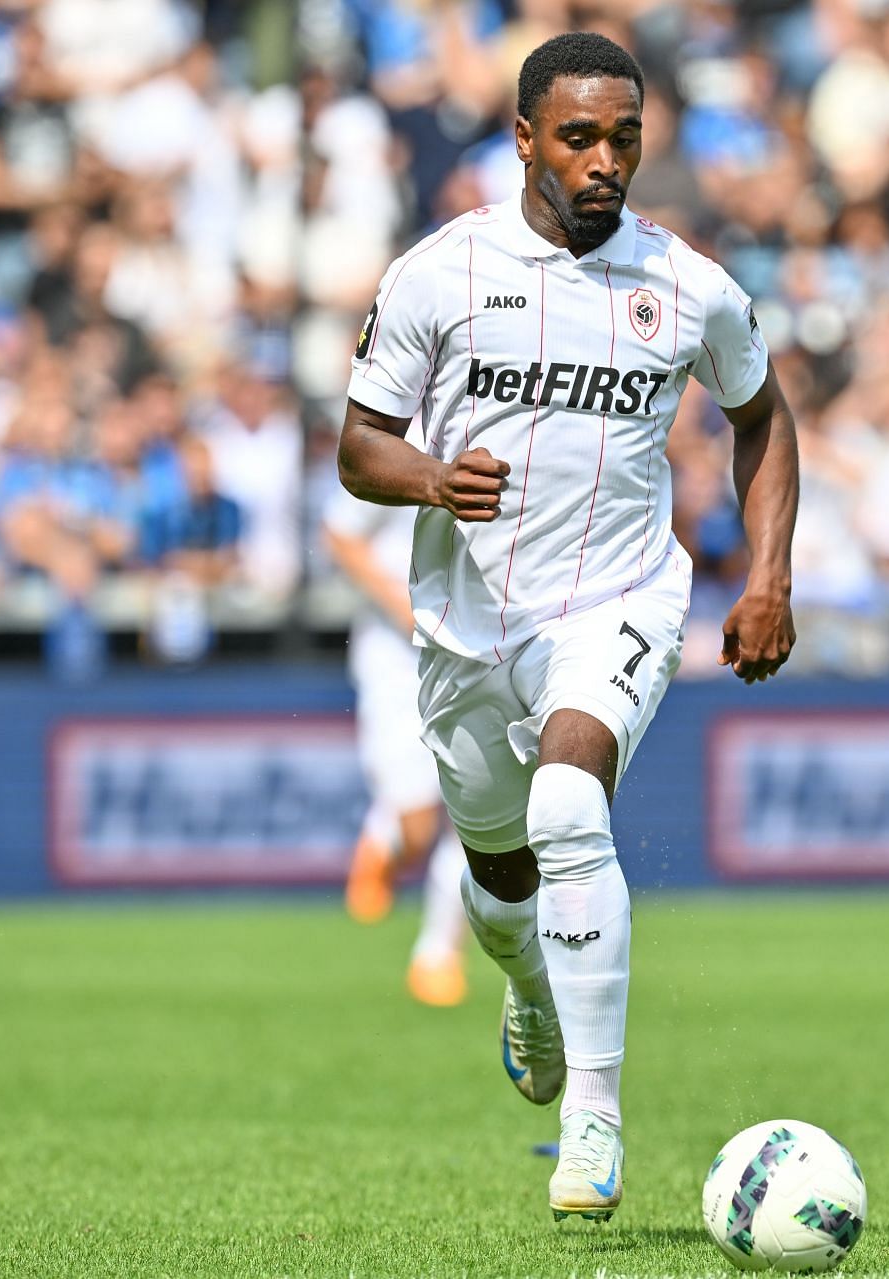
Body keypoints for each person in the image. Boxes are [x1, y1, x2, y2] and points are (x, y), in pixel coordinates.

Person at [335, 33, 799, 1225]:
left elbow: (764, 417)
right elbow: (358, 447)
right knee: (497, 878)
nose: (605, 160)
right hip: (470, 620)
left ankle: (590, 1114)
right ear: (527, 137)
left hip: (620, 598)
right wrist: (434, 480)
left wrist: (768, 576)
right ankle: (530, 990)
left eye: (625, 138)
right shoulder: (441, 272)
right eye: (580, 137)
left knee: (566, 805)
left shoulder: (689, 285)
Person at [322, 480, 470, 1009]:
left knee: (475, 812)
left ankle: (437, 954)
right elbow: (339, 534)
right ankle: (386, 837)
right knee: (417, 822)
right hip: (397, 657)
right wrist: (403, 605)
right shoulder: (398, 441)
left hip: (474, 650)